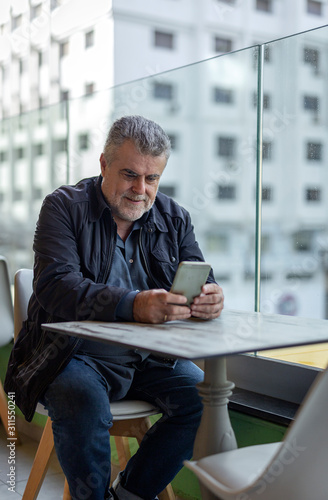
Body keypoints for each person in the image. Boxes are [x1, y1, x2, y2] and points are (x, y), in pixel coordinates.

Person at [5, 115, 224, 500]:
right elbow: (55, 286)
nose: (141, 190)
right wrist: (134, 304)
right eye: (130, 175)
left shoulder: (174, 218)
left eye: (152, 178)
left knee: (204, 401)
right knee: (82, 399)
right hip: (71, 355)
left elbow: (203, 277)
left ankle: (130, 494)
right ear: (104, 164)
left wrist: (211, 297)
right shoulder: (63, 207)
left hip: (151, 356)